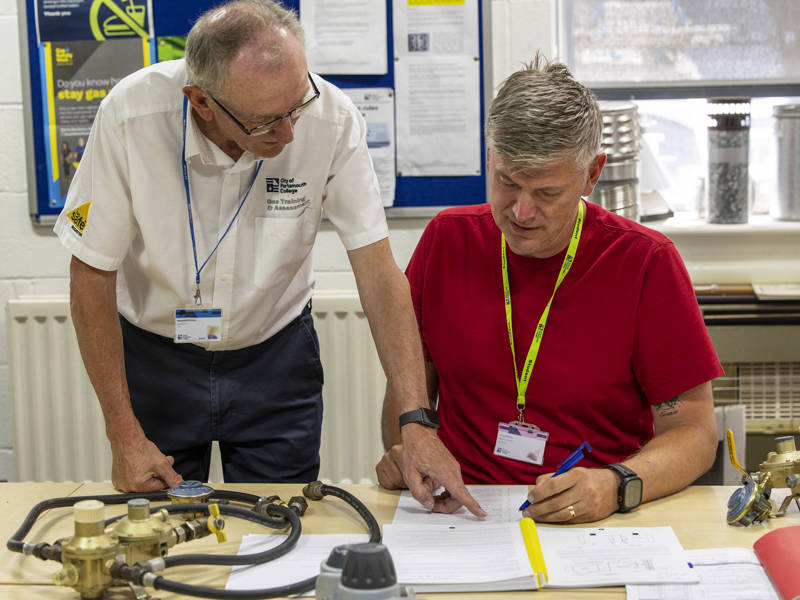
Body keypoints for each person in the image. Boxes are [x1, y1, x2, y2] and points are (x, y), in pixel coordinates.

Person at [54, 0, 482, 517]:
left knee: (283, 524)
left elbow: (378, 272)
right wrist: (122, 432)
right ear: (201, 102)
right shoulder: (131, 115)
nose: (290, 133)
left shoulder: (331, 117)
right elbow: (90, 274)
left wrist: (417, 420)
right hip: (155, 356)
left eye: (297, 104)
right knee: (159, 525)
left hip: (275, 358)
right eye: (266, 121)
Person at [376, 56, 721, 523]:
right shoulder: (447, 240)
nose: (520, 212)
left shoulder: (645, 262)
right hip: (462, 511)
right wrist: (405, 448)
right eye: (507, 182)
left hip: (596, 514)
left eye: (547, 193)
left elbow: (695, 431)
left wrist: (618, 484)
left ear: (592, 174)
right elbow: (409, 388)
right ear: (489, 157)